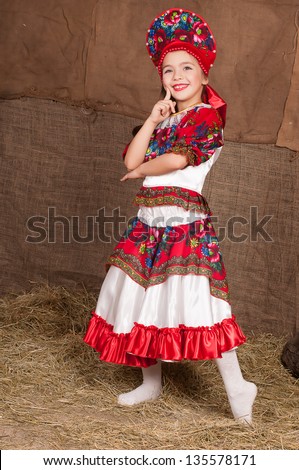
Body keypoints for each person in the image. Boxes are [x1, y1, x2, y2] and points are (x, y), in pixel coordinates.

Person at [84, 8, 257, 425]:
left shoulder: (207, 119)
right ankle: (151, 381)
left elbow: (177, 159)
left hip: (183, 224)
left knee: (199, 306)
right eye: (167, 70)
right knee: (139, 300)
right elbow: (132, 155)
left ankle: (238, 387)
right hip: (149, 224)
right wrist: (151, 118)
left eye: (186, 67)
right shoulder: (167, 119)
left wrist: (142, 171)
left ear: (203, 73)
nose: (177, 76)